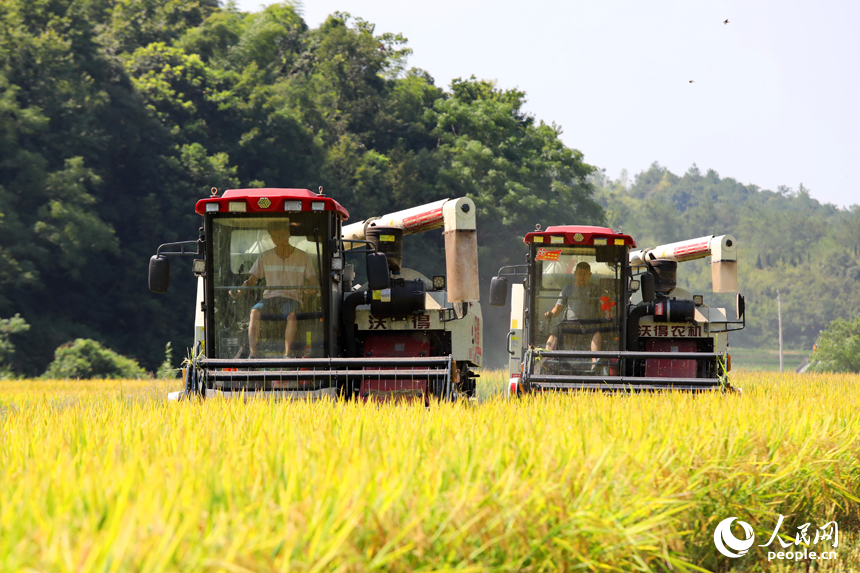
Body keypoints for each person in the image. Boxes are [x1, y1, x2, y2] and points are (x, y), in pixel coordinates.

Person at [230, 220, 317, 357]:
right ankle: (253, 355)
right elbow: (251, 281)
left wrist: (313, 289)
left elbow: (314, 281)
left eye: (281, 235)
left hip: (292, 298)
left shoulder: (303, 257)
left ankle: (287, 355)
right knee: (254, 312)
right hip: (269, 299)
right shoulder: (265, 256)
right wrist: (239, 291)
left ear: (288, 235)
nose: (277, 239)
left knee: (291, 315)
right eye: (274, 236)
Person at [544, 261, 603, 353]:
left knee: (597, 334)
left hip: (589, 323)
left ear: (590, 275)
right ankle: (546, 357)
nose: (582, 277)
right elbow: (558, 308)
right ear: (575, 274)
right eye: (579, 274)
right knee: (555, 332)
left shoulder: (596, 289)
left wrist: (608, 312)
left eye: (585, 274)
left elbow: (604, 303)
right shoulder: (567, 289)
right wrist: (551, 313)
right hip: (570, 323)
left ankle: (595, 361)